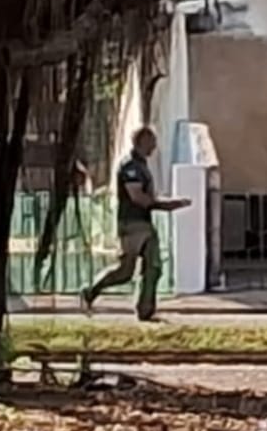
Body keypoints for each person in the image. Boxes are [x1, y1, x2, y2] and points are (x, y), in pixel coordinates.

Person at [81, 126, 192, 321]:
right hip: (132, 223)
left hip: (143, 223)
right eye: (152, 142)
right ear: (141, 142)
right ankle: (90, 291)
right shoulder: (130, 166)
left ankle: (145, 309)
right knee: (125, 272)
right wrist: (167, 204)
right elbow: (138, 197)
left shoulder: (141, 165)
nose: (155, 146)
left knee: (154, 265)